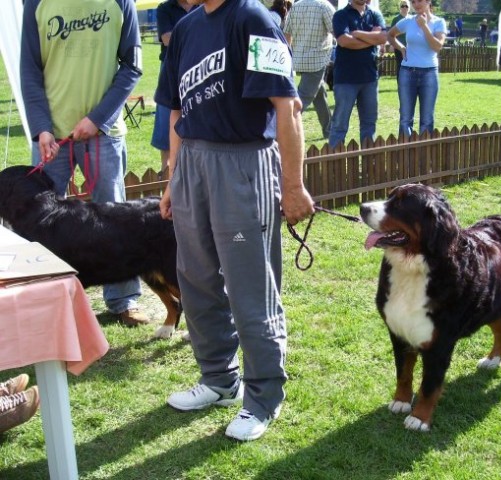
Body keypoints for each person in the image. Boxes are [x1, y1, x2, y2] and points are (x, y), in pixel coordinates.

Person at [155, 0, 315, 441]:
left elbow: (287, 106)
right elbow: (175, 110)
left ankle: (263, 397)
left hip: (244, 164)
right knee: (196, 279)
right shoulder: (186, 28)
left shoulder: (254, 19)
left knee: (250, 288)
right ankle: (219, 380)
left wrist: (294, 184)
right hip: (193, 164)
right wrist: (173, 180)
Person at [20, 0, 148, 327]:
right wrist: (41, 128)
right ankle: (48, 303)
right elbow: (29, 70)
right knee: (41, 225)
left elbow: (132, 65)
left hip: (103, 133)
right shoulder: (35, 3)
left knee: (115, 217)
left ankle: (123, 300)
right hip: (52, 137)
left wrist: (98, 118)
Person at [328, 0, 387, 148]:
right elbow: (344, 41)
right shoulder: (340, 15)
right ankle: (336, 168)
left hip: (370, 78)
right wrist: (371, 39)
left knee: (369, 125)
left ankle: (369, 168)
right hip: (346, 79)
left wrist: (358, 34)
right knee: (339, 126)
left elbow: (383, 38)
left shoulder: (375, 14)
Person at [387, 0, 445, 137]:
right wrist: (401, 48)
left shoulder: (438, 22)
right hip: (407, 73)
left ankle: (424, 156)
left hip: (429, 73)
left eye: (419, 1)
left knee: (427, 120)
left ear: (428, 2)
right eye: (413, 1)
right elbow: (390, 35)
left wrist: (424, 27)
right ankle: (405, 156)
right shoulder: (408, 21)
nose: (416, 4)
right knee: (405, 119)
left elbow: (437, 47)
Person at [152, 0, 195, 177]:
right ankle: (166, 171)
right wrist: (197, 37)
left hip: (196, 66)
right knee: (165, 121)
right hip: (172, 68)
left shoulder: (201, 6)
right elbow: (167, 39)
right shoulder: (165, 8)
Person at [283, 0, 335, 139]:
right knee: (302, 100)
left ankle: (329, 131)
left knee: (319, 95)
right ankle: (280, 133)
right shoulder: (324, 6)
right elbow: (336, 31)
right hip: (317, 60)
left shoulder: (296, 6)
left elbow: (287, 34)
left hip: (299, 59)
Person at [390, 1, 410, 78]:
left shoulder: (411, 19)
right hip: (398, 46)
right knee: (400, 65)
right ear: (400, 7)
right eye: (402, 6)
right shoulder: (396, 19)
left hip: (410, 47)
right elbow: (391, 34)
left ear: (409, 8)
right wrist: (392, 44)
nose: (404, 8)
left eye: (406, 6)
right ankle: (400, 85)